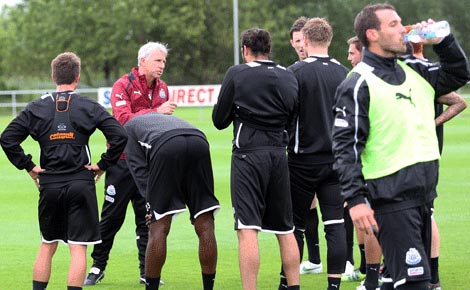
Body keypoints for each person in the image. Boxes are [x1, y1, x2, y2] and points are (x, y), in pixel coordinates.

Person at [332, 3, 469, 290]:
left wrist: (443, 41)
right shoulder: (357, 83)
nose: (403, 29)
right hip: (392, 201)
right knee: (415, 285)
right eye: (393, 24)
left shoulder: (415, 69)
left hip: (423, 197)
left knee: (398, 281)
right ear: (372, 34)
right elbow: (346, 147)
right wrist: (356, 200)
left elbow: (459, 74)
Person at [0, 52, 128, 290]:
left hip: (49, 184)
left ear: (53, 76)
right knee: (78, 247)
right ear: (77, 77)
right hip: (81, 182)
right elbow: (120, 136)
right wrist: (102, 164)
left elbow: (7, 138)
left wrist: (29, 167)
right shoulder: (88, 105)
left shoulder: (36, 107)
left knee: (47, 244)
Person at [212, 28, 300, 290]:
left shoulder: (237, 73)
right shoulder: (288, 75)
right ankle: (294, 286)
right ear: (269, 49)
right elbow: (294, 114)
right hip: (278, 154)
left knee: (247, 228)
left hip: (248, 156)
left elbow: (219, 120)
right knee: (285, 229)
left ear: (245, 50)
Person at [85, 41, 177, 286]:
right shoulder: (122, 85)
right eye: (158, 61)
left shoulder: (163, 89)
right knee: (111, 218)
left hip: (149, 164)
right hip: (122, 162)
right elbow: (124, 121)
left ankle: (146, 271)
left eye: (164, 61)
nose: (162, 66)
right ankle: (97, 267)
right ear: (142, 61)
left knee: (147, 218)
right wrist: (157, 111)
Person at [123, 113, 220, 290]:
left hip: (166, 145)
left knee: (159, 226)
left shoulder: (127, 130)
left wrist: (150, 206)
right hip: (199, 141)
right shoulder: (155, 119)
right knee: (205, 222)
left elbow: (141, 173)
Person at [286, 18, 348, 290]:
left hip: (302, 161)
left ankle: (289, 284)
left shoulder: (295, 72)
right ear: (330, 40)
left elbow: (286, 115)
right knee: (334, 224)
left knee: (295, 228)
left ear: (306, 40)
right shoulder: (345, 73)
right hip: (336, 161)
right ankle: (333, 285)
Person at [406, 40, 467, 290]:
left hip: (421, 155)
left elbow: (459, 102)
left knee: (425, 216)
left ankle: (433, 278)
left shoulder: (424, 74)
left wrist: (433, 122)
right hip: (411, 155)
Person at [288, 15, 323, 276]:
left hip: (325, 149)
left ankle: (344, 262)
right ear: (292, 42)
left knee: (338, 206)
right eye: (297, 40)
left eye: (304, 40)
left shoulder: (325, 69)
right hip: (301, 150)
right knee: (307, 206)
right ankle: (314, 259)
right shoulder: (291, 73)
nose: (301, 45)